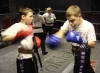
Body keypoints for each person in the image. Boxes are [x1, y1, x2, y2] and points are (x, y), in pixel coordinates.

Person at [46, 5, 96, 73]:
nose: (70, 23)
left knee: (78, 70)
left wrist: (81, 41)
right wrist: (56, 37)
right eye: (69, 21)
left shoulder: (88, 26)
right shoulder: (68, 22)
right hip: (74, 50)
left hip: (83, 51)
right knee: (86, 66)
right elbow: (62, 31)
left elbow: (93, 44)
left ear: (79, 16)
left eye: (72, 20)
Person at [0, 7, 39, 73]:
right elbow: (3, 39)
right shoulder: (17, 26)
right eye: (30, 16)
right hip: (23, 58)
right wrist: (18, 35)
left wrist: (34, 43)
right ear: (23, 16)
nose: (32, 18)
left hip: (32, 56)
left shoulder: (29, 26)